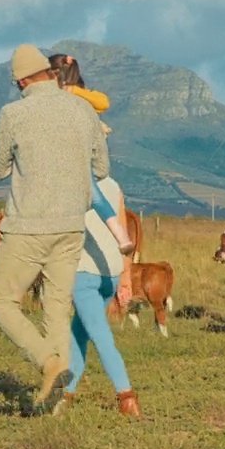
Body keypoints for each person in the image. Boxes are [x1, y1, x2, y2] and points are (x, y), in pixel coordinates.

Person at [0, 44, 110, 404]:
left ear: (23, 80)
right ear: (48, 72)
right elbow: (101, 169)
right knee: (56, 307)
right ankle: (57, 400)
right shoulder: (82, 110)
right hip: (72, 226)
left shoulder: (13, 114)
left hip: (28, 226)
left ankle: (47, 363)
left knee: (1, 302)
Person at [54, 174, 143, 419]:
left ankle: (126, 397)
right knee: (78, 334)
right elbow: (124, 234)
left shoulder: (69, 183)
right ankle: (63, 396)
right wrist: (125, 279)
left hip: (83, 273)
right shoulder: (115, 187)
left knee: (101, 336)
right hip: (110, 274)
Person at [48, 53, 135, 255]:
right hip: (76, 151)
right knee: (95, 195)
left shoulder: (71, 94)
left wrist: (74, 91)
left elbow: (104, 102)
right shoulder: (71, 95)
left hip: (75, 151)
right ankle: (120, 235)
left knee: (94, 195)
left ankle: (120, 236)